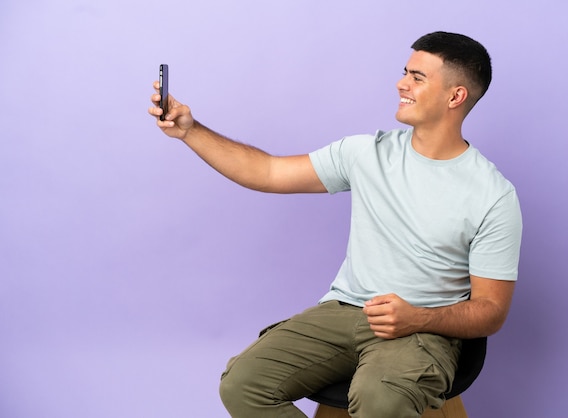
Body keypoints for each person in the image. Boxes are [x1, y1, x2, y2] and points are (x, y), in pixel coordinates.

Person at [148, 31, 522, 418]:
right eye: (405, 72)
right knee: (243, 384)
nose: (401, 83)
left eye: (417, 77)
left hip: (420, 328)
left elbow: (491, 310)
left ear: (455, 96)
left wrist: (420, 318)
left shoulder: (491, 195)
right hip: (344, 312)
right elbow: (268, 171)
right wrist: (190, 130)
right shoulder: (366, 153)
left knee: (380, 400)